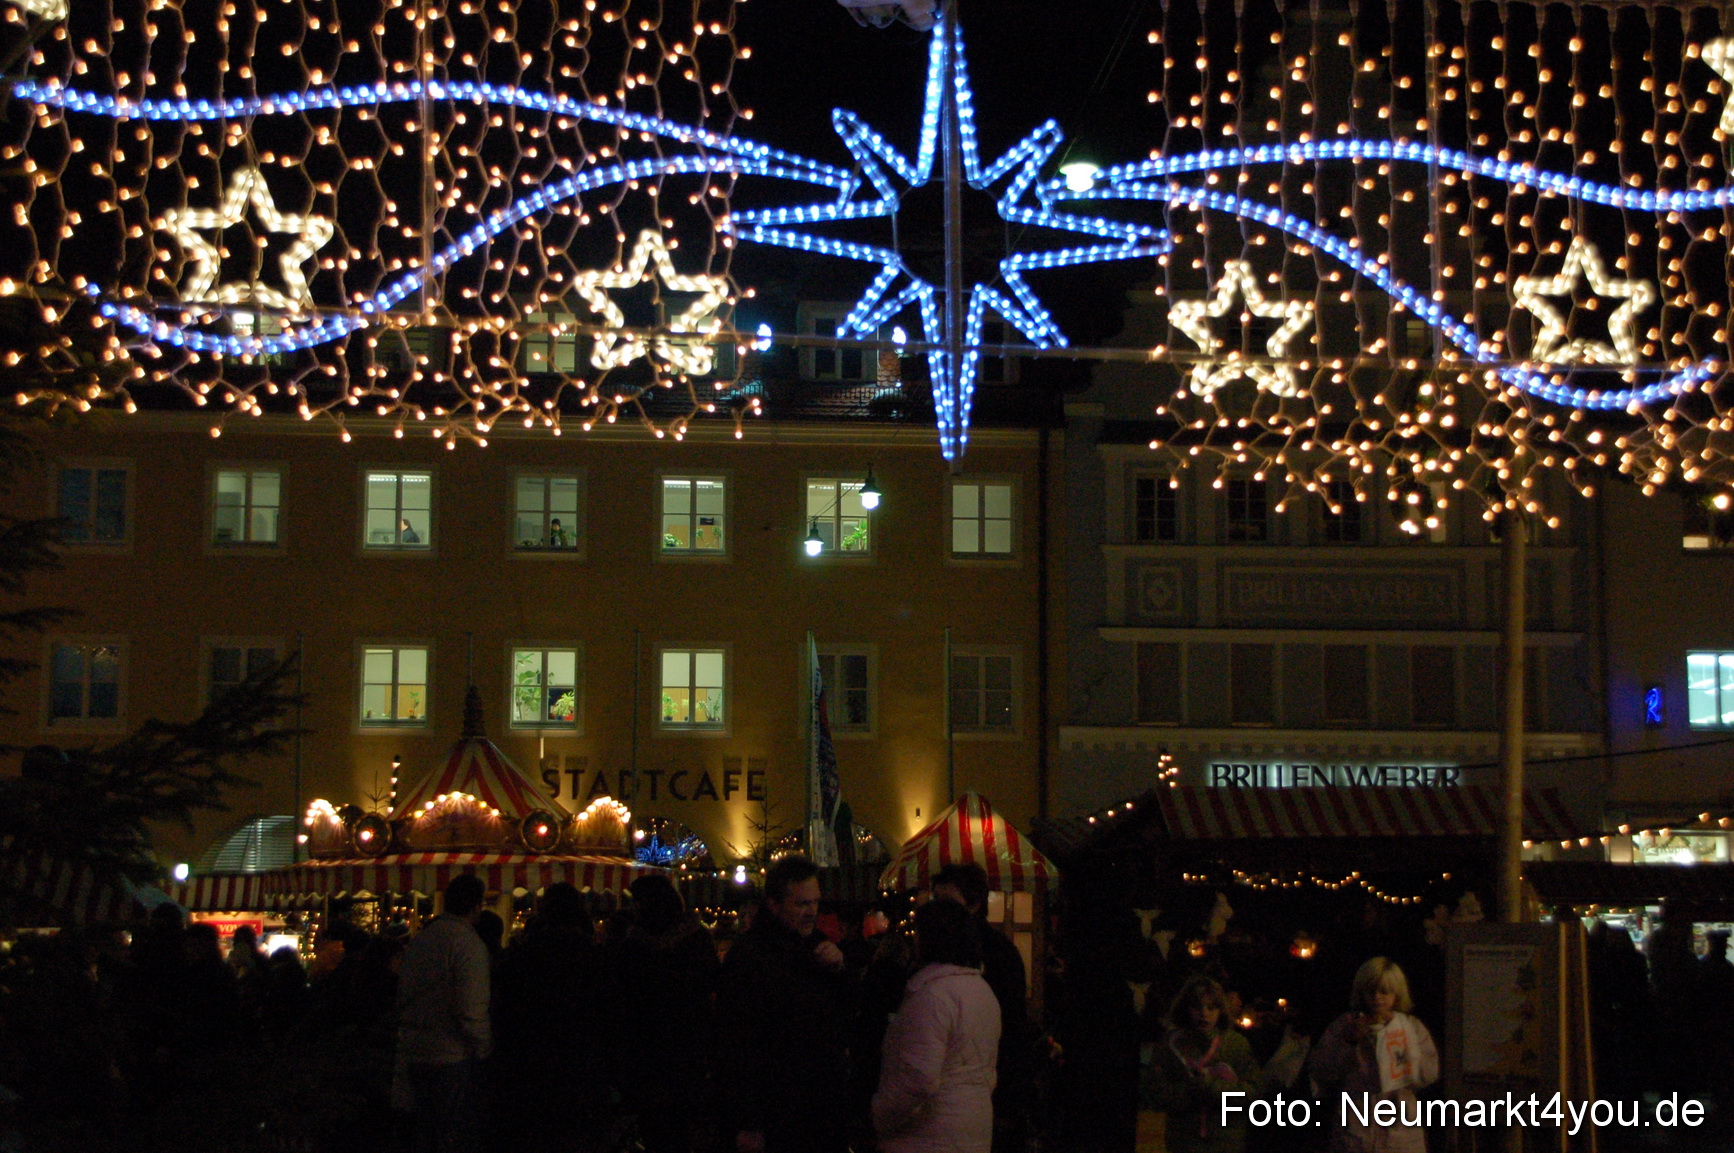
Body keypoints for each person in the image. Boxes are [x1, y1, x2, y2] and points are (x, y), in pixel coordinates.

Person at [717, 855, 855, 1153]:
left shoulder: (818, 948)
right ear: (774, 904)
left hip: (819, 1107)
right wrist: (748, 1120)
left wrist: (841, 970)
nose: (811, 912)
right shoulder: (750, 958)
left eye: (815, 903)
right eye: (801, 904)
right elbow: (737, 1041)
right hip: (778, 1109)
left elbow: (841, 1017)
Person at [872, 898, 1002, 1153]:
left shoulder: (931, 995)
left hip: (927, 1134)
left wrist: (881, 1113)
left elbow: (917, 1079)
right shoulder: (982, 991)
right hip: (974, 1125)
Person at [930, 863, 1035, 1153]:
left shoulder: (994, 954)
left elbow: (1011, 1029)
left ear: (974, 905)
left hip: (986, 1088)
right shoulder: (944, 951)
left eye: (947, 903)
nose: (940, 912)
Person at [614, 873, 721, 1153]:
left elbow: (625, 1001)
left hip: (651, 1055)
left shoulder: (635, 945)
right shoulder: (696, 939)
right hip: (689, 1052)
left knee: (659, 1130)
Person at [395, 873, 492, 1153]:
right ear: (476, 906)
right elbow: (470, 1008)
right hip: (451, 1054)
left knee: (422, 1132)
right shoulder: (468, 945)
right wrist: (483, 1047)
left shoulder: (422, 939)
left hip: (414, 1048)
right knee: (449, 1134)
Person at [1311, 957, 1438, 1153]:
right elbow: (1322, 1070)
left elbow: (1429, 1074)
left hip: (1400, 1136)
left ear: (1397, 993)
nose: (1377, 997)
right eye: (1371, 991)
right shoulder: (1346, 1026)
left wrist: (1403, 1051)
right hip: (1354, 1135)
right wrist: (1350, 1042)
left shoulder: (1411, 1028)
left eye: (1384, 991)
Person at [1142, 976, 1262, 1153]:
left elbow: (1252, 1092)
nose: (1204, 1013)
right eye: (1197, 1007)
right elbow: (1154, 1091)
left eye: (1211, 1008)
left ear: (1221, 1010)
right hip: (1184, 1141)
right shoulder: (1171, 1044)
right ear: (1186, 1009)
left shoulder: (1236, 1044)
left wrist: (1212, 1087)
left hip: (1226, 1141)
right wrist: (1189, 1091)